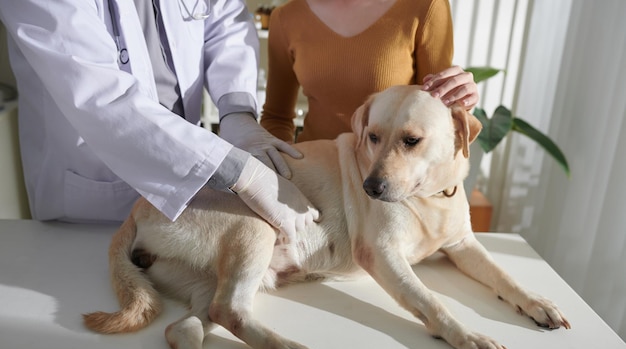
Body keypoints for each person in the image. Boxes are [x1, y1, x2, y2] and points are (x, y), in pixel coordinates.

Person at [0, 0, 317, 243]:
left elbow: (225, 20)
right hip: (91, 211)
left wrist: (237, 112)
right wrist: (236, 170)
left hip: (186, 201)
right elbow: (101, 98)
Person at [260, 0, 479, 143]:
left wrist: (462, 99)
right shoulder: (286, 18)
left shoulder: (426, 5)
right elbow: (276, 118)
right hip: (315, 179)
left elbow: (439, 112)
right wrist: (285, 174)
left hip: (388, 183)